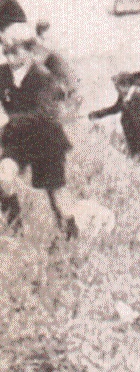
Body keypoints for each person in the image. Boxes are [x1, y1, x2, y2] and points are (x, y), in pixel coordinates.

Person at [0, 22, 75, 236]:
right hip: (17, 140)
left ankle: (70, 233)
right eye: (6, 53)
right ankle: (16, 230)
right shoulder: (2, 74)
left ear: (29, 51)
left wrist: (8, 119)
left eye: (15, 52)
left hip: (47, 140)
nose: (10, 58)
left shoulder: (43, 76)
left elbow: (44, 115)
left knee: (55, 193)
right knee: (4, 176)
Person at [89, 72, 140, 173]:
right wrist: (97, 114)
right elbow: (114, 109)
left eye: (118, 87)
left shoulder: (137, 95)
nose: (117, 89)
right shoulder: (124, 99)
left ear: (126, 85)